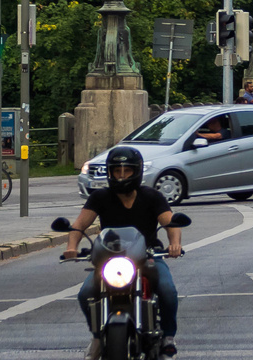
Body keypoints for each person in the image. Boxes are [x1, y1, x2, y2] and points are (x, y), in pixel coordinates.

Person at [64, 146, 182, 359]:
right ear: (110, 172)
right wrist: (71, 246)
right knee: (84, 294)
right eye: (116, 171)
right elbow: (79, 225)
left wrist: (174, 243)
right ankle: (98, 336)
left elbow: (170, 223)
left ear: (136, 171)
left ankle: (168, 337)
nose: (121, 176)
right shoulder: (100, 197)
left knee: (167, 290)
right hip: (110, 260)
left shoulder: (152, 196)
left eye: (126, 171)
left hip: (147, 257)